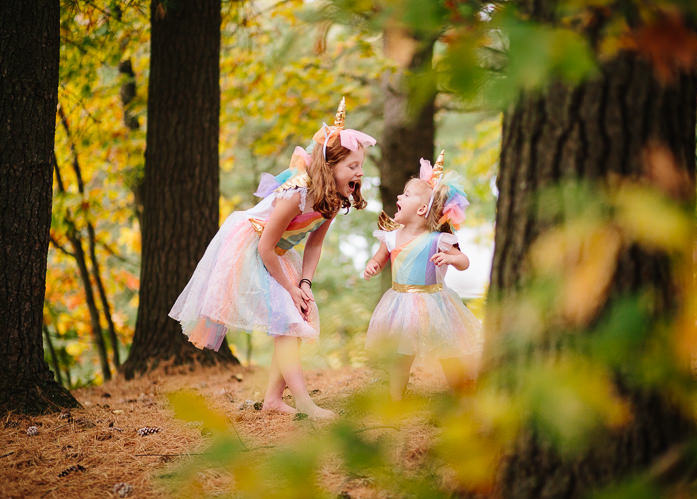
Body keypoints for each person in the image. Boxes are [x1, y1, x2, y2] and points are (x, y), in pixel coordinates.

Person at [170, 98, 376, 419]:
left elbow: (314, 245)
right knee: (287, 320)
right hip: (252, 248)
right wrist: (290, 289)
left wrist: (304, 282)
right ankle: (305, 403)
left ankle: (273, 400)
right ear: (329, 167)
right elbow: (265, 246)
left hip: (279, 254)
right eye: (352, 167)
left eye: (360, 166)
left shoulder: (334, 200)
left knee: (293, 320)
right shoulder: (297, 193)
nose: (359, 173)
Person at [363, 150, 481, 400]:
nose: (398, 196)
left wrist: (450, 258)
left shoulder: (438, 239)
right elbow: (379, 257)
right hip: (400, 302)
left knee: (448, 349)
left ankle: (462, 392)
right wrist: (372, 265)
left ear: (421, 210)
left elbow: (464, 261)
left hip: (435, 302)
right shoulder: (391, 236)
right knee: (401, 355)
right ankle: (396, 398)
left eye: (406, 195)